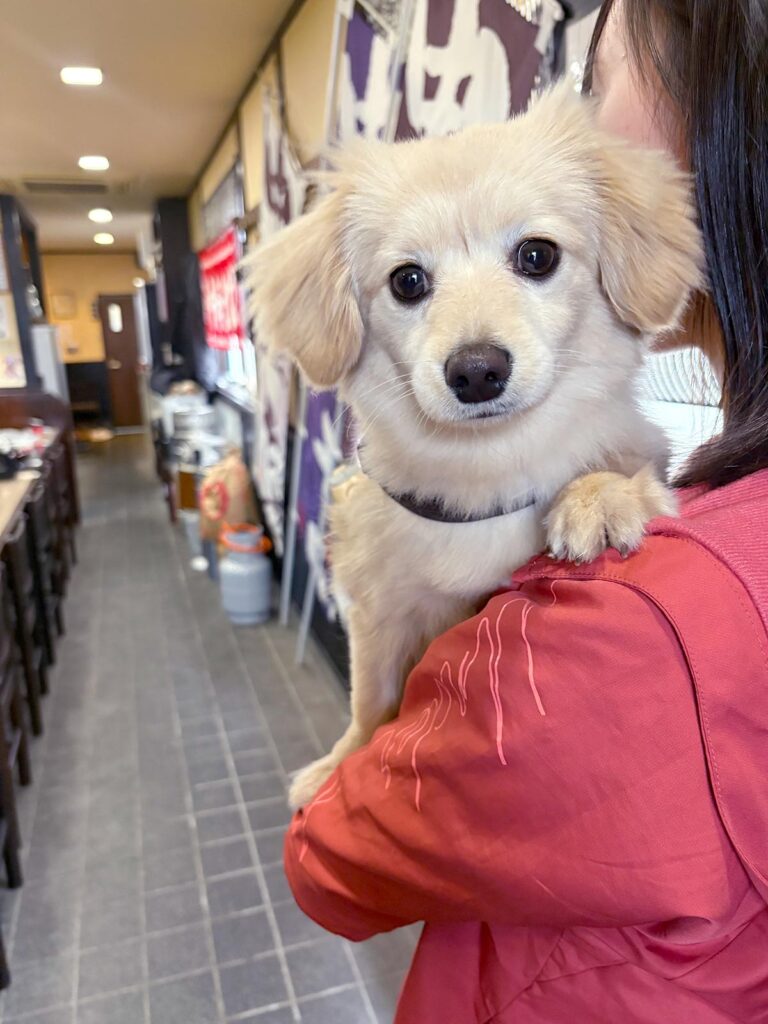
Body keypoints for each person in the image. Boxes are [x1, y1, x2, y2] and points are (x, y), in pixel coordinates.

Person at [283, 1, 768, 1020]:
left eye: (534, 257)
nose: (475, 344)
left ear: (724, 118)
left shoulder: (648, 621)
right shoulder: (722, 506)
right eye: (409, 282)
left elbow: (331, 862)